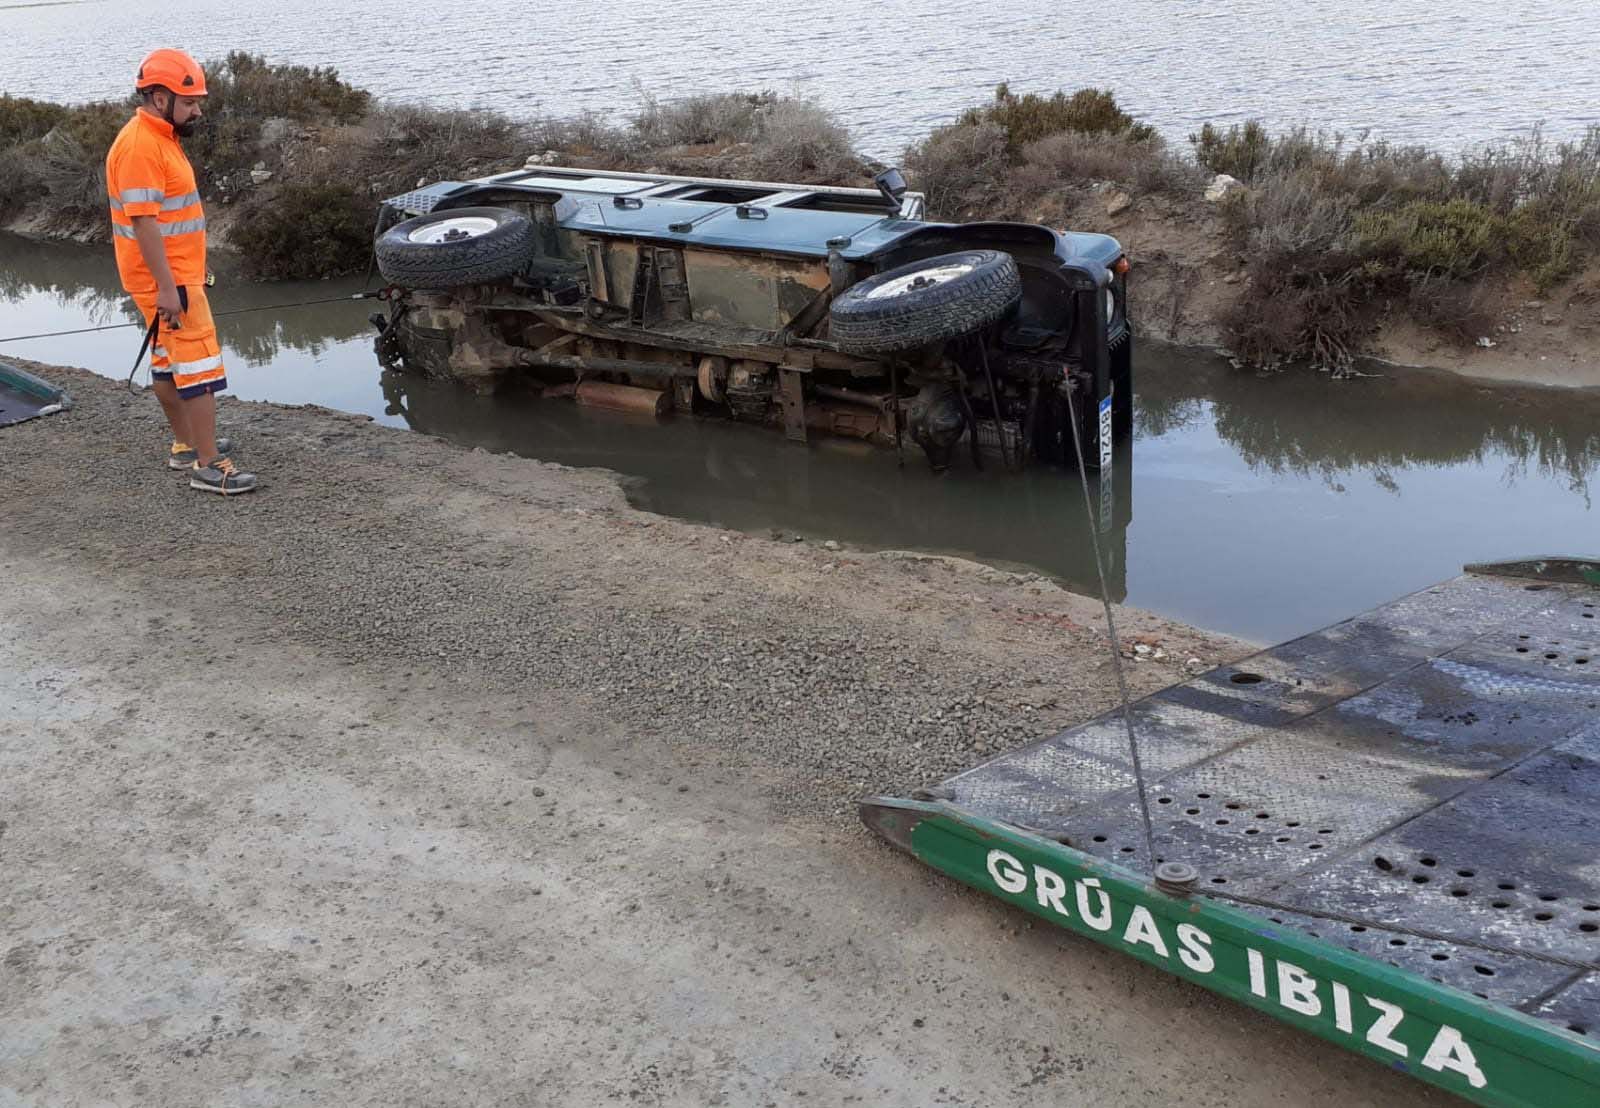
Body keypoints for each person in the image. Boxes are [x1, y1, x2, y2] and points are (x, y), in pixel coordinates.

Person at [106, 48, 257, 495]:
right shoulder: (141, 146)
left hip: (173, 275)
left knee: (169, 364)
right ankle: (211, 466)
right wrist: (169, 288)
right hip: (168, 281)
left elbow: (169, 218)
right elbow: (144, 223)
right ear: (158, 98)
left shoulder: (157, 137)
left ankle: (187, 446)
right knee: (200, 368)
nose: (198, 110)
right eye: (190, 102)